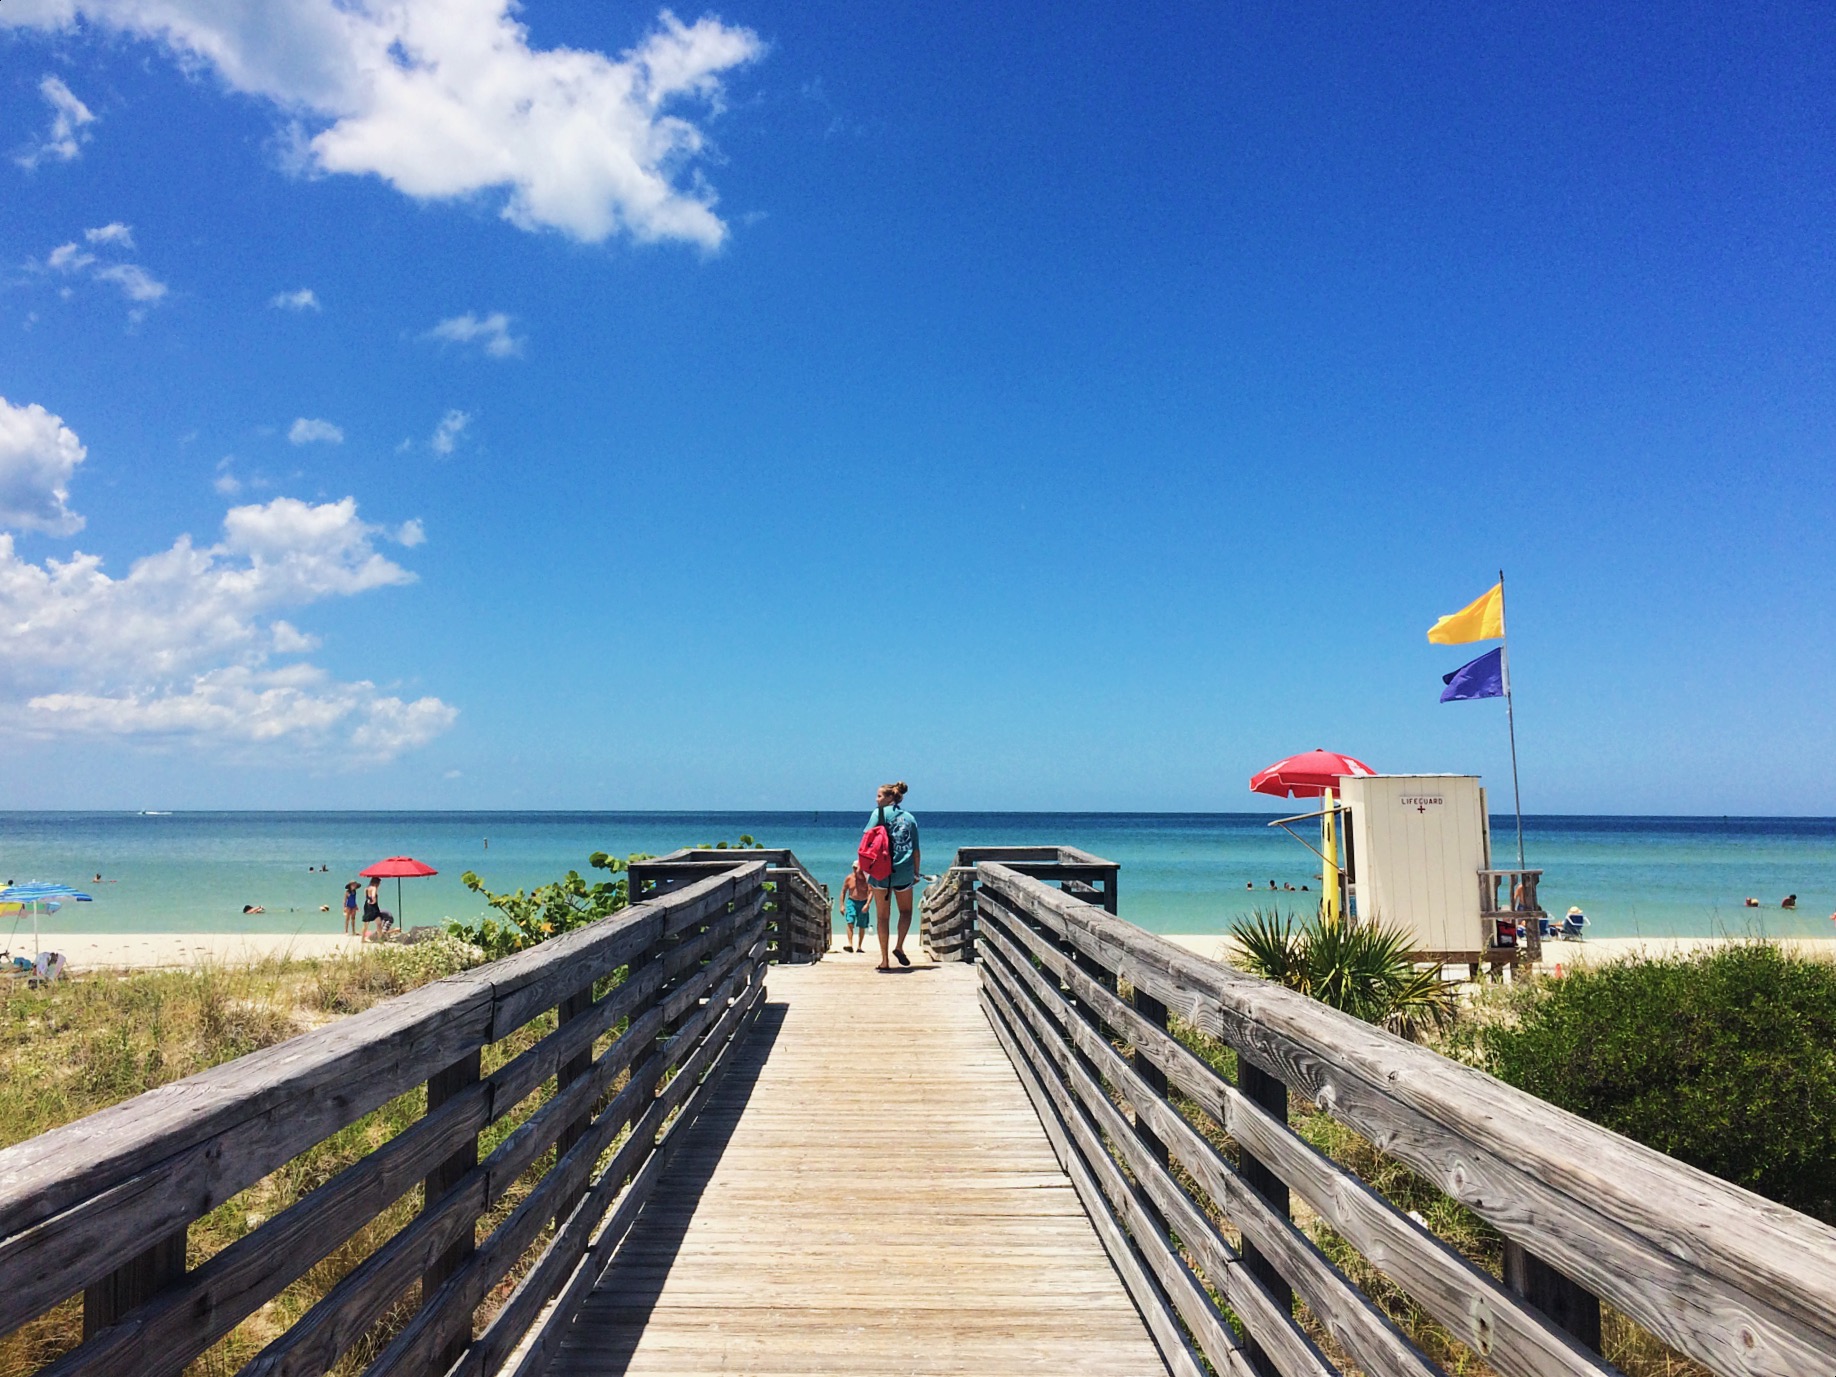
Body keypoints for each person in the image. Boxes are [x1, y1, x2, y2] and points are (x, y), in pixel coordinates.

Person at [865, 781, 920, 970]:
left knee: (882, 917)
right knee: (906, 912)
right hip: (904, 872)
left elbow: (867, 840)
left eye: (879, 796)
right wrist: (916, 872)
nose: (876, 799)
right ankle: (899, 947)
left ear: (890, 797)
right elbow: (916, 850)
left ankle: (884, 961)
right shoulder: (910, 818)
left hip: (881, 872)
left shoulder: (878, 814)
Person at [839, 864, 875, 953]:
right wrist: (842, 905)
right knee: (850, 921)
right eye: (854, 868)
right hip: (852, 901)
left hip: (863, 902)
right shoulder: (849, 878)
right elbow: (843, 891)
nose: (855, 870)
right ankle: (850, 944)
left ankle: (859, 946)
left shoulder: (866, 879)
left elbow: (871, 892)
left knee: (862, 925)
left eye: (857, 868)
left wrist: (867, 904)